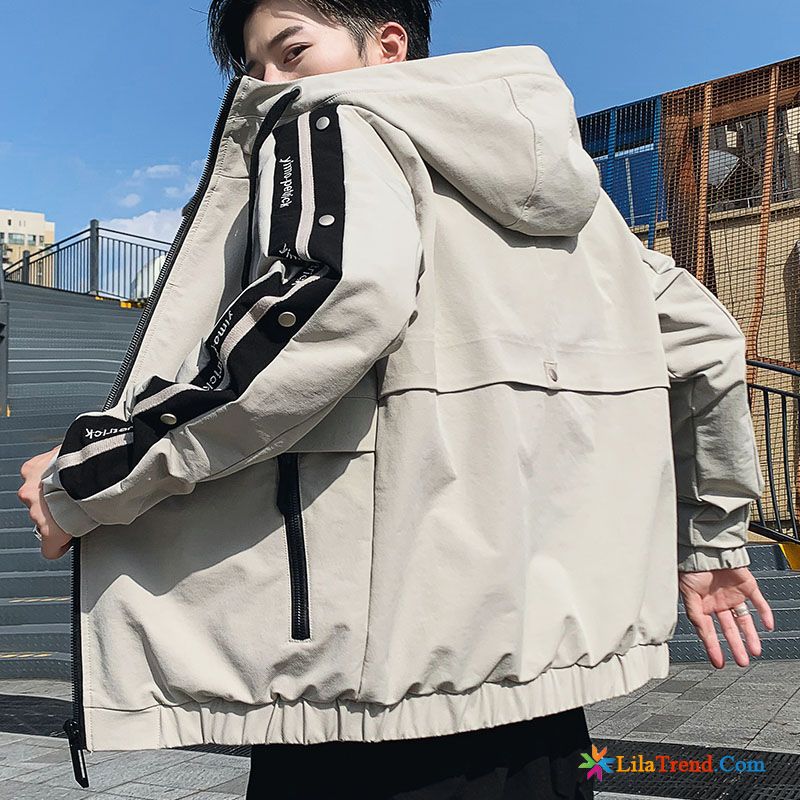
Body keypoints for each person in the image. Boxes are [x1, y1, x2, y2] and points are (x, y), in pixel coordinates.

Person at [18, 1, 775, 798]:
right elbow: (708, 342)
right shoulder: (587, 219)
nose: (269, 84)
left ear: (387, 46)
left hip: (369, 686)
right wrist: (712, 542)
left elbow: (332, 297)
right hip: (540, 700)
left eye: (291, 52)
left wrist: (95, 474)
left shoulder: (329, 123)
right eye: (253, 68)